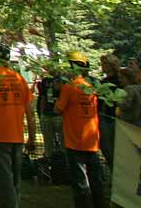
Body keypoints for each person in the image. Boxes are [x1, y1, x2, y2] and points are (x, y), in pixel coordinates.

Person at [0, 44, 37, 208]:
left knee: (3, 183)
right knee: (15, 182)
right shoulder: (19, 78)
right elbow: (30, 113)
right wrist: (31, 137)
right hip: (17, 137)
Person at [55, 51, 107, 208]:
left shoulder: (69, 88)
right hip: (92, 141)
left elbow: (58, 109)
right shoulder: (91, 88)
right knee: (96, 180)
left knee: (80, 182)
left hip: (75, 141)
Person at [36, 63, 65, 160]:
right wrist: (41, 114)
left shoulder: (64, 81)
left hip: (59, 115)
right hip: (47, 114)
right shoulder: (46, 81)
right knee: (48, 142)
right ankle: (49, 161)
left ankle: (64, 161)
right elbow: (43, 98)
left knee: (63, 141)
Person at [97, 53, 120, 166]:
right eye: (102, 63)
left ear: (112, 65)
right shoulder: (102, 82)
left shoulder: (119, 80)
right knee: (106, 149)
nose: (102, 66)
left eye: (105, 63)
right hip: (103, 118)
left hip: (116, 119)